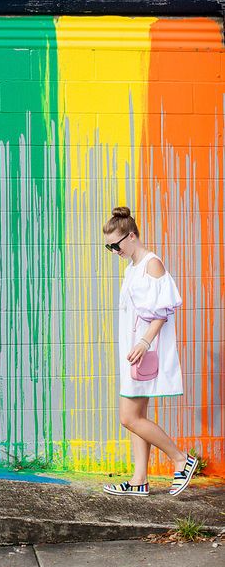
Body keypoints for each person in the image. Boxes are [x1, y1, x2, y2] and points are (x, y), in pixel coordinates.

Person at [102, 206, 198, 497]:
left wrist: (144, 343)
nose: (113, 250)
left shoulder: (151, 264)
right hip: (134, 354)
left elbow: (163, 311)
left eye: (116, 244)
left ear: (131, 236)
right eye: (109, 247)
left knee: (128, 417)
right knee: (138, 416)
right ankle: (138, 480)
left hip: (144, 352)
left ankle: (181, 458)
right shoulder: (133, 267)